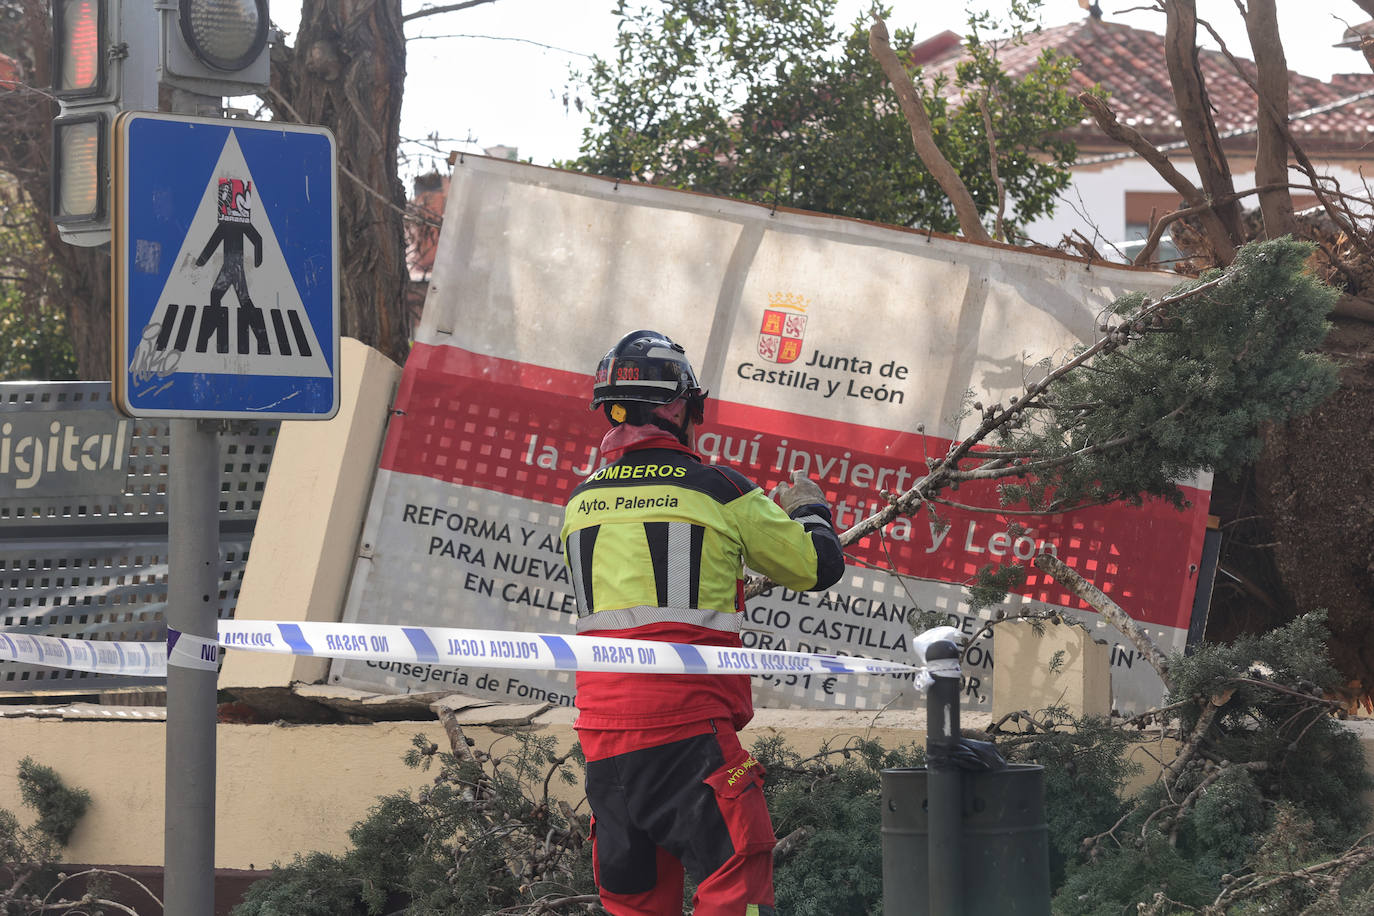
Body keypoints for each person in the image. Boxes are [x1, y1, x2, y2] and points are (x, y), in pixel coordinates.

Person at [560, 329, 846, 915]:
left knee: (636, 903)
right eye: (693, 405)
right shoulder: (718, 489)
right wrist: (811, 510)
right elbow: (818, 567)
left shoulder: (580, 501)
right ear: (673, 405)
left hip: (603, 739)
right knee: (736, 881)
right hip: (686, 726)